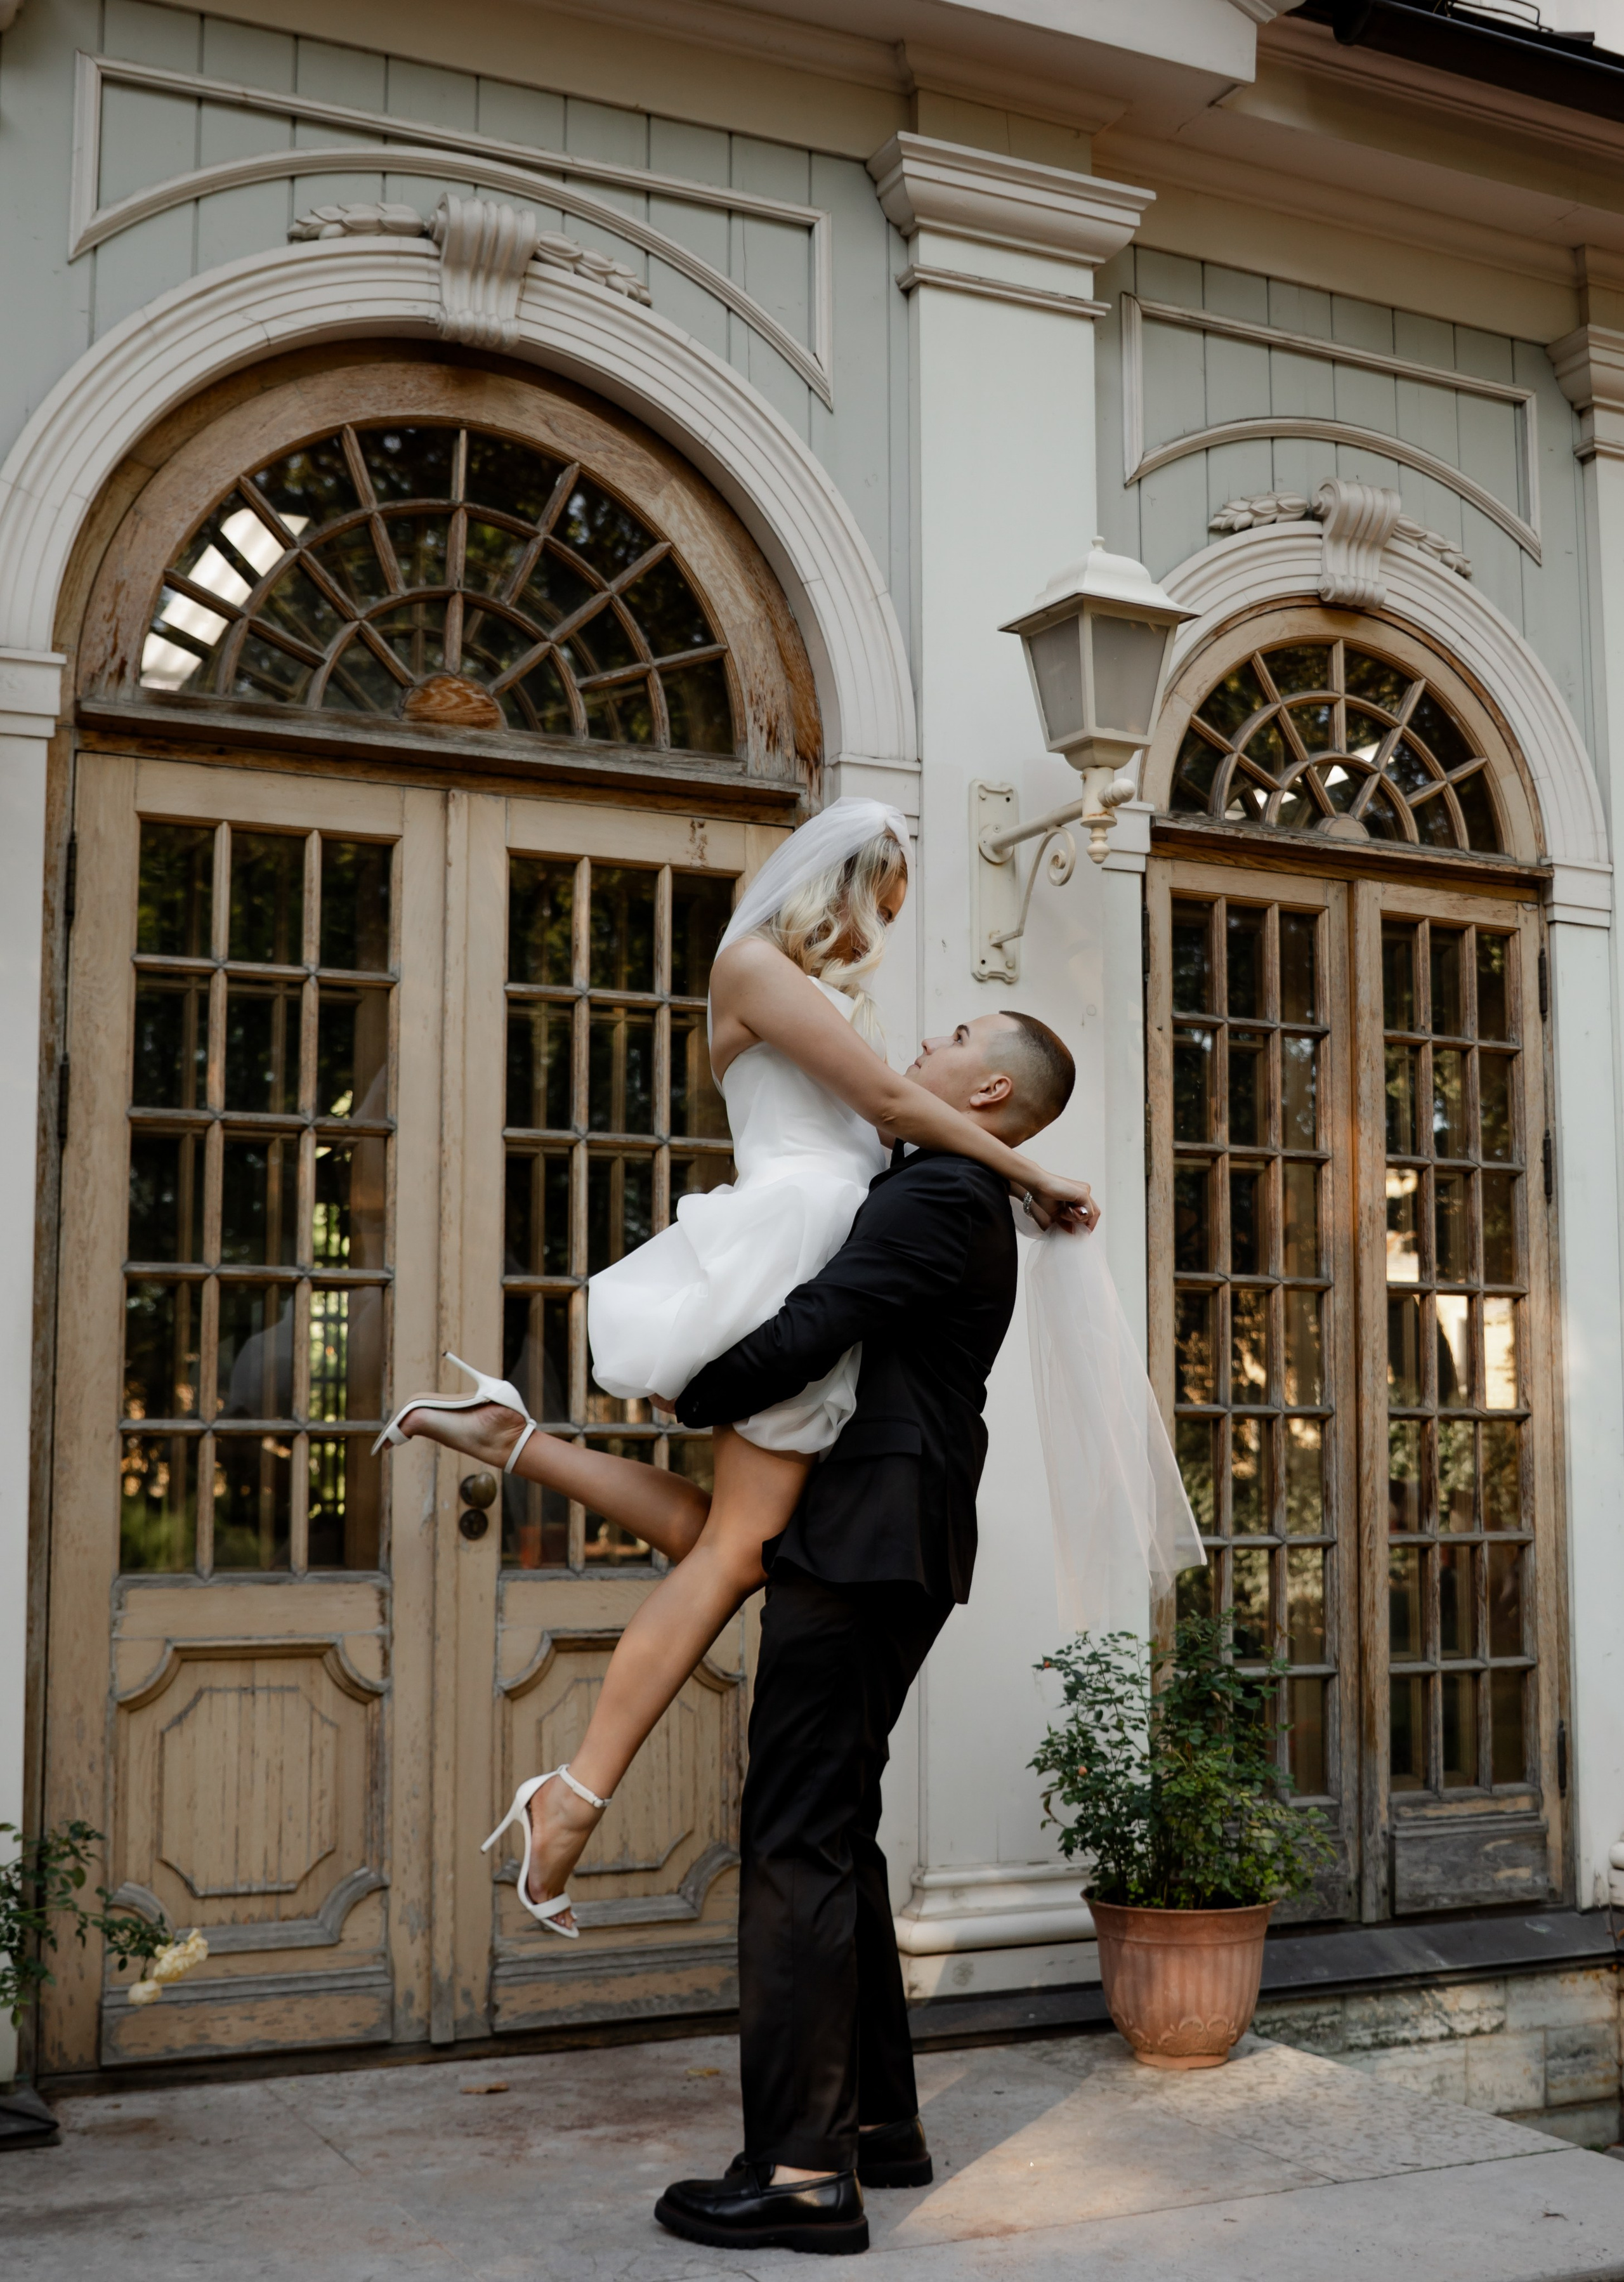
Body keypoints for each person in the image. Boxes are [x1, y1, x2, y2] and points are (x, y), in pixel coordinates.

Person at [374, 799, 1096, 1938]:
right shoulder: (753, 966)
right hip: (793, 1247)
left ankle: (513, 1438)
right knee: (730, 1553)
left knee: (729, 1542)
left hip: (813, 1244)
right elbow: (898, 1106)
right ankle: (570, 1800)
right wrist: (1029, 1172)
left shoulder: (814, 995)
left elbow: (906, 1122)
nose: (875, 940)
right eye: (879, 911)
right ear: (843, 884)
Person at [651, 1009, 1078, 2256]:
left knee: (793, 1832)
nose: (921, 1038)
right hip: (895, 1530)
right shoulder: (957, 1185)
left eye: (950, 1034)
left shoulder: (942, 1190)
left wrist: (687, 1383)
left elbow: (818, 1319)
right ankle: (876, 2126)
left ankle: (796, 2168)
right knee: (836, 1824)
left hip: (867, 1535)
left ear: (989, 1086)